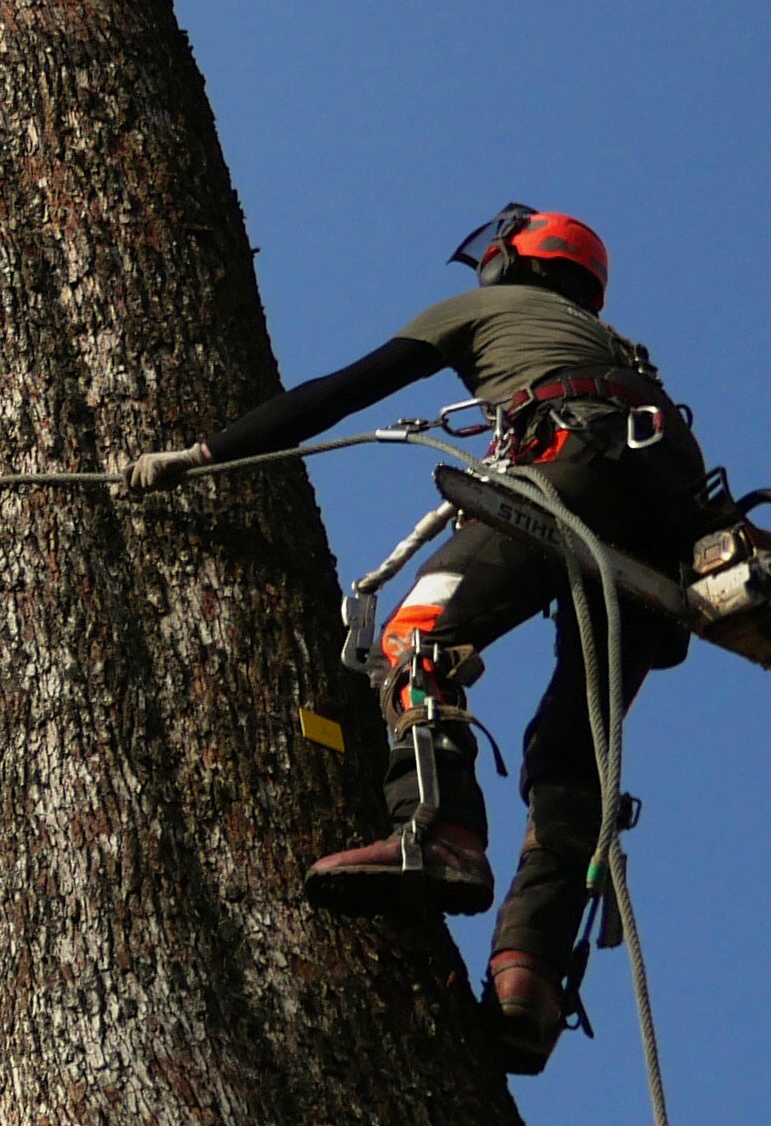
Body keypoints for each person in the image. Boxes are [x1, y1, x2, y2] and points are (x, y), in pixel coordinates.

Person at [116, 204, 722, 1072]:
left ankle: (437, 830)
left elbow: (338, 393)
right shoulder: (628, 361)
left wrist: (204, 454)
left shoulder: (482, 314)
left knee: (414, 640)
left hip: (571, 472)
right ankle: (531, 977)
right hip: (662, 547)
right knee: (569, 756)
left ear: (515, 260)